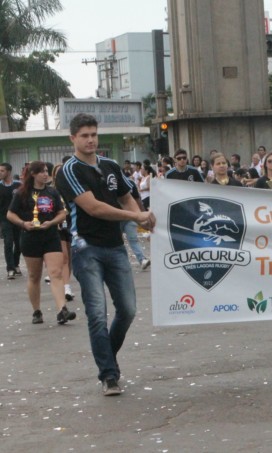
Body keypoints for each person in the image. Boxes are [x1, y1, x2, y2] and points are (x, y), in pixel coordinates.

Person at [56, 113, 156, 396]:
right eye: (84, 135)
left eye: (94, 135)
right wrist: (136, 217)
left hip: (115, 247)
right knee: (97, 313)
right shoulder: (69, 170)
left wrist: (141, 215)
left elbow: (126, 195)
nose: (90, 140)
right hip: (85, 247)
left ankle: (107, 358)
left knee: (128, 310)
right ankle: (109, 375)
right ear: (72, 138)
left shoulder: (111, 165)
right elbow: (94, 207)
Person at [6, 161, 76, 325]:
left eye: (46, 171)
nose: (46, 174)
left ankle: (62, 310)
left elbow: (62, 213)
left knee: (55, 273)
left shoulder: (52, 192)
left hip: (51, 235)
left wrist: (52, 222)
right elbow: (10, 214)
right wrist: (23, 223)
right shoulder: (22, 193)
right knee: (34, 276)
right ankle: (36, 311)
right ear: (33, 174)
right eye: (42, 172)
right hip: (30, 237)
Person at [52, 163, 75, 301]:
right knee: (64, 257)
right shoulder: (52, 191)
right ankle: (66, 287)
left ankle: (67, 282)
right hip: (58, 226)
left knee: (70, 258)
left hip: (72, 225)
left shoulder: (73, 188)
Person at [1, 163, 22, 279]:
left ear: (9, 172)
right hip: (5, 219)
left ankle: (16, 263)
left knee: (19, 244)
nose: (0, 173)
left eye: (2, 171)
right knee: (8, 243)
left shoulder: (19, 185)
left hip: (18, 218)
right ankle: (10, 268)